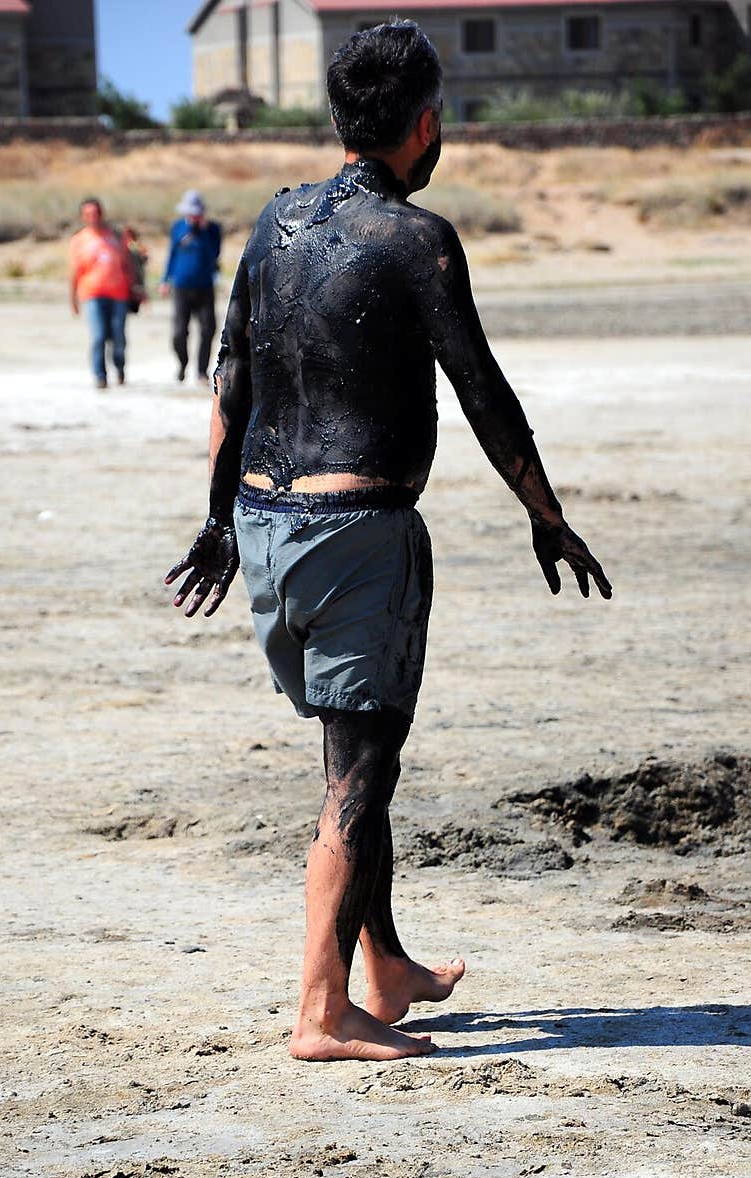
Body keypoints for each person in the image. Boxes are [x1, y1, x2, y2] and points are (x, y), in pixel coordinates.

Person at [165, 20, 612, 1063]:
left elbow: (231, 378)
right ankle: (321, 1016)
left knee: (355, 761)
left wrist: (216, 518)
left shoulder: (270, 225)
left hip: (269, 531)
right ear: (425, 125)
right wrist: (546, 516)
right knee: (355, 785)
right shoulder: (417, 240)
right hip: (359, 532)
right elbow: (485, 392)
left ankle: (388, 966)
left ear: (337, 119)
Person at [69, 197, 133, 389]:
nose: (93, 217)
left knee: (118, 337)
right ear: (82, 217)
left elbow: (128, 264)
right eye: (88, 214)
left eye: (96, 213)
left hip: (119, 294)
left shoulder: (115, 236)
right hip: (91, 294)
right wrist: (72, 299)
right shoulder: (79, 240)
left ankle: (120, 369)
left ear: (101, 214)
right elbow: (74, 272)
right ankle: (100, 376)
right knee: (98, 336)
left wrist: (136, 290)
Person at [159, 191, 221, 385]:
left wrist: (203, 231)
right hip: (181, 287)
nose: (193, 217)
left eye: (196, 213)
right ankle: (182, 364)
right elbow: (172, 254)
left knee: (208, 329)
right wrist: (164, 280)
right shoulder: (178, 227)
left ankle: (202, 370)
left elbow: (215, 254)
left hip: (205, 287)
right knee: (179, 332)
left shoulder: (213, 230)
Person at [122, 225, 149, 316]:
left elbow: (145, 258)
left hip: (138, 272)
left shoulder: (137, 245)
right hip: (128, 273)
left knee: (140, 290)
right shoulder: (123, 245)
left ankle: (146, 309)